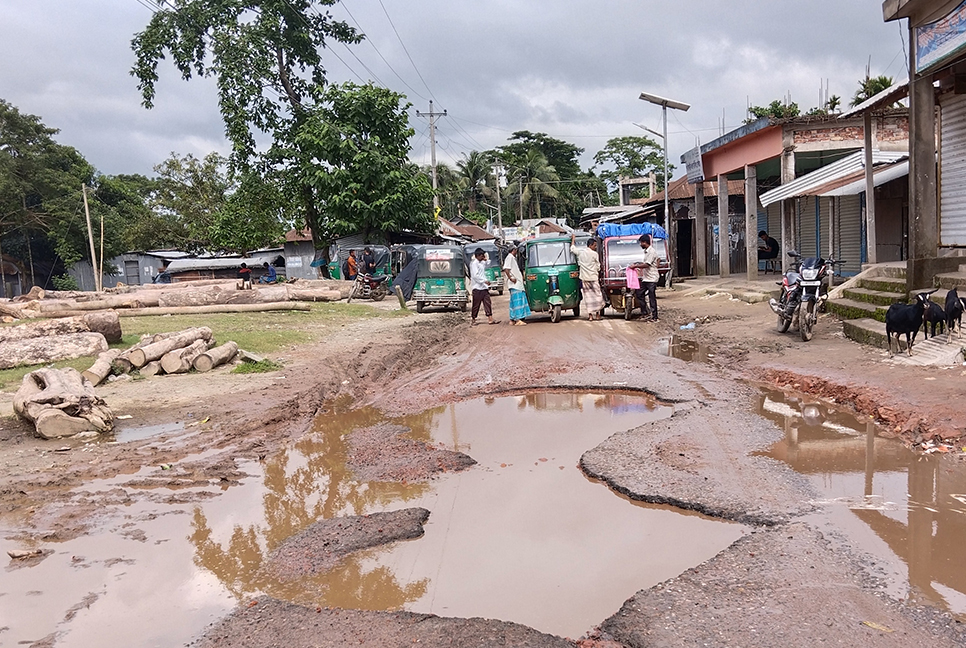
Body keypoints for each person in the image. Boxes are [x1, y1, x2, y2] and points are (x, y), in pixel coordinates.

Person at [571, 233, 604, 320]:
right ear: (590, 245)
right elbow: (598, 266)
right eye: (594, 245)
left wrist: (573, 239)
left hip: (585, 278)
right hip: (593, 278)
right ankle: (597, 315)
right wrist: (597, 270)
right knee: (597, 296)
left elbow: (572, 248)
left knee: (588, 297)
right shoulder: (594, 254)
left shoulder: (581, 253)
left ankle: (590, 316)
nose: (595, 247)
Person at [629, 234, 659, 321]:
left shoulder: (651, 251)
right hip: (646, 278)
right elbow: (657, 259)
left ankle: (654, 316)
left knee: (651, 297)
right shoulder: (646, 251)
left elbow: (647, 264)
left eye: (641, 243)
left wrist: (636, 266)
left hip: (652, 278)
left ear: (645, 242)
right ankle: (645, 313)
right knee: (639, 293)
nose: (640, 244)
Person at [469, 247, 499, 325]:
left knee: (487, 303)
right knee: (476, 304)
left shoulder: (481, 262)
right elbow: (475, 276)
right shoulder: (474, 264)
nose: (483, 257)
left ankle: (490, 318)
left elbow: (488, 263)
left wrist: (485, 259)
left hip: (484, 287)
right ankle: (473, 319)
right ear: (477, 256)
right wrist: (484, 281)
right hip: (477, 287)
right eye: (481, 255)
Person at [502, 244, 530, 325]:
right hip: (515, 284)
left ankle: (512, 319)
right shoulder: (510, 257)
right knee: (518, 301)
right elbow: (506, 269)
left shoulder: (511, 258)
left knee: (513, 302)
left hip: (517, 284)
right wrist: (511, 278)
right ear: (514, 250)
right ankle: (518, 319)